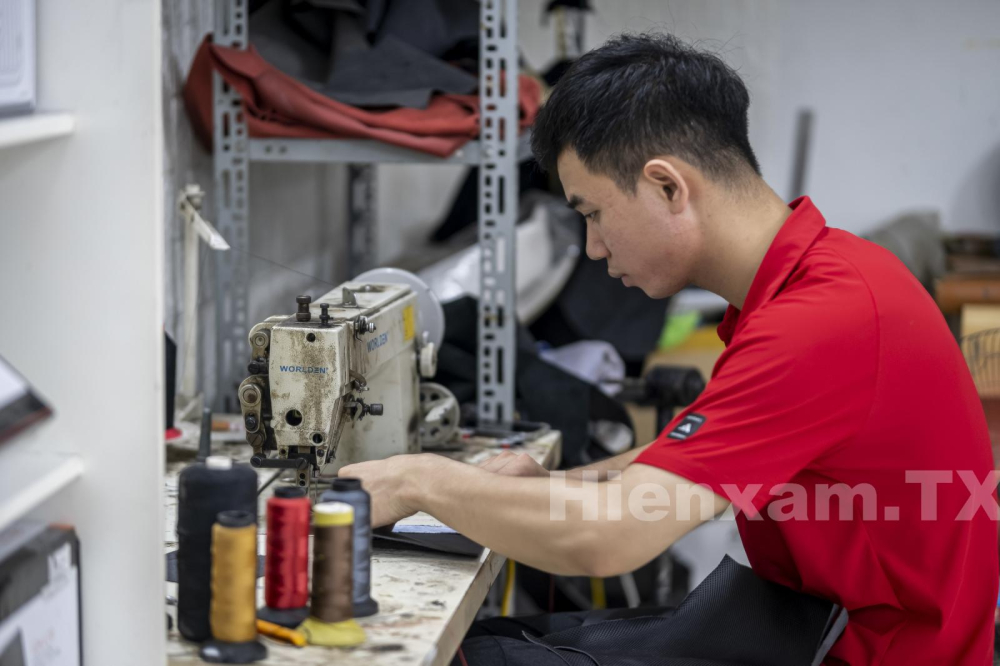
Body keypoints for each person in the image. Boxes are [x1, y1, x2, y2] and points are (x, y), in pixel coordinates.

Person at [340, 33, 998, 665]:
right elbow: (696, 454)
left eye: (592, 213)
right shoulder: (825, 276)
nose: (594, 249)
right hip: (819, 624)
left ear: (667, 186)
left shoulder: (822, 322)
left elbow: (609, 538)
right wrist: (558, 484)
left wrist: (418, 481)